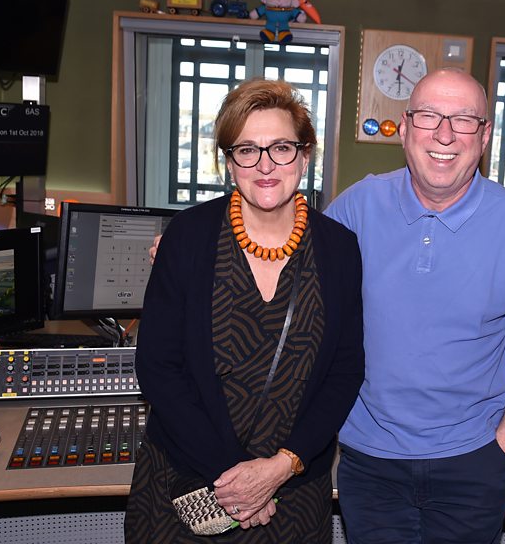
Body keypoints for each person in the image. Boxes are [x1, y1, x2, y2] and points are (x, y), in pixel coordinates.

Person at [324, 68, 505, 544]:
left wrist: (504, 445)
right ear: (405, 127)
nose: (444, 134)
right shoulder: (357, 206)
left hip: (473, 461)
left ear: (485, 136)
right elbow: (295, 288)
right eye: (429, 116)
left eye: (463, 120)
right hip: (370, 461)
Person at [126, 78, 365, 543]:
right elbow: (157, 367)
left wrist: (281, 467)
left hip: (293, 495)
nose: (265, 165)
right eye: (247, 150)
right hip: (192, 485)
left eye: (281, 148)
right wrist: (236, 481)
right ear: (229, 161)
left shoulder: (339, 249)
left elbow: (345, 369)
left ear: (305, 156)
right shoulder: (187, 237)